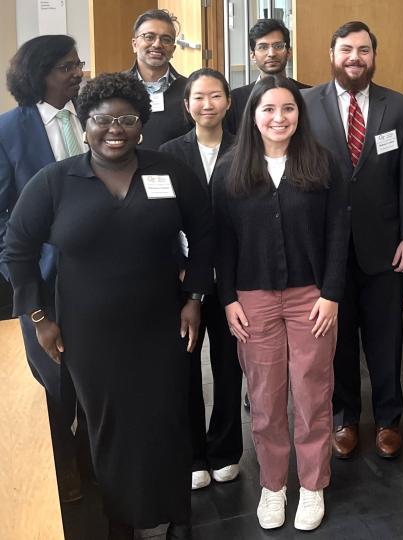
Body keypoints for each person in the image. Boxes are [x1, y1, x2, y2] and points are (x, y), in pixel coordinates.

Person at [2, 72, 213, 539]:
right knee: (109, 429)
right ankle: (122, 520)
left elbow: (204, 234)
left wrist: (195, 298)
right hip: (89, 334)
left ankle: (177, 516)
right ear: (84, 122)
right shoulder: (55, 182)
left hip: (164, 324)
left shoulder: (169, 171)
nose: (114, 129)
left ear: (142, 124)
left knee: (169, 419)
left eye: (127, 119)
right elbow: (17, 249)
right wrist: (39, 318)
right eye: (101, 119)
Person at [212, 75, 348, 531]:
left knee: (312, 392)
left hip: (311, 296)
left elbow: (337, 234)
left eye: (288, 109)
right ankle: (274, 486)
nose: (279, 118)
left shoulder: (323, 164)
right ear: (252, 116)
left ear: (299, 114)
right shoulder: (231, 169)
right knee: (266, 397)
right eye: (268, 109)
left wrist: (331, 293)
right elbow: (223, 243)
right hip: (253, 297)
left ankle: (312, 485)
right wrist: (228, 298)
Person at [304, 20, 403, 460]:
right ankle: (345, 417)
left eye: (363, 50)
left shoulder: (401, 107)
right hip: (326, 249)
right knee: (335, 340)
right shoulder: (305, 104)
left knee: (386, 337)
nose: (354, 58)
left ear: (374, 56)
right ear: (332, 54)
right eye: (346, 50)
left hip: (386, 246)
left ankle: (390, 418)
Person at [0, 34, 85, 503]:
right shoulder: (8, 131)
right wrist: (23, 283)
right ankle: (62, 468)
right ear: (39, 74)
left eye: (78, 64)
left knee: (94, 375)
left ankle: (95, 461)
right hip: (41, 279)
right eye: (66, 67)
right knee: (53, 381)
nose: (77, 73)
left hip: (98, 276)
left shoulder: (95, 121)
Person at [158, 68, 241, 491]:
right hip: (181, 277)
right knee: (184, 366)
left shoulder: (246, 149)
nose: (207, 105)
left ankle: (226, 450)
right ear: (186, 105)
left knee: (229, 366)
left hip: (232, 278)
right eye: (198, 98)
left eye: (215, 96)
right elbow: (158, 219)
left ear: (228, 101)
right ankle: (192, 456)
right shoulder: (167, 153)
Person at [224, 18, 311, 135]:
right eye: (263, 47)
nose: (271, 53)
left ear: (288, 52)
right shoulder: (236, 100)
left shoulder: (309, 94)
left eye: (278, 46)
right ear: (253, 55)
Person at [128, 9, 191, 149]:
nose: (157, 44)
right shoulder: (116, 89)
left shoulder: (190, 90)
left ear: (173, 49)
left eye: (166, 39)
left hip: (175, 168)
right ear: (134, 44)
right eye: (149, 37)